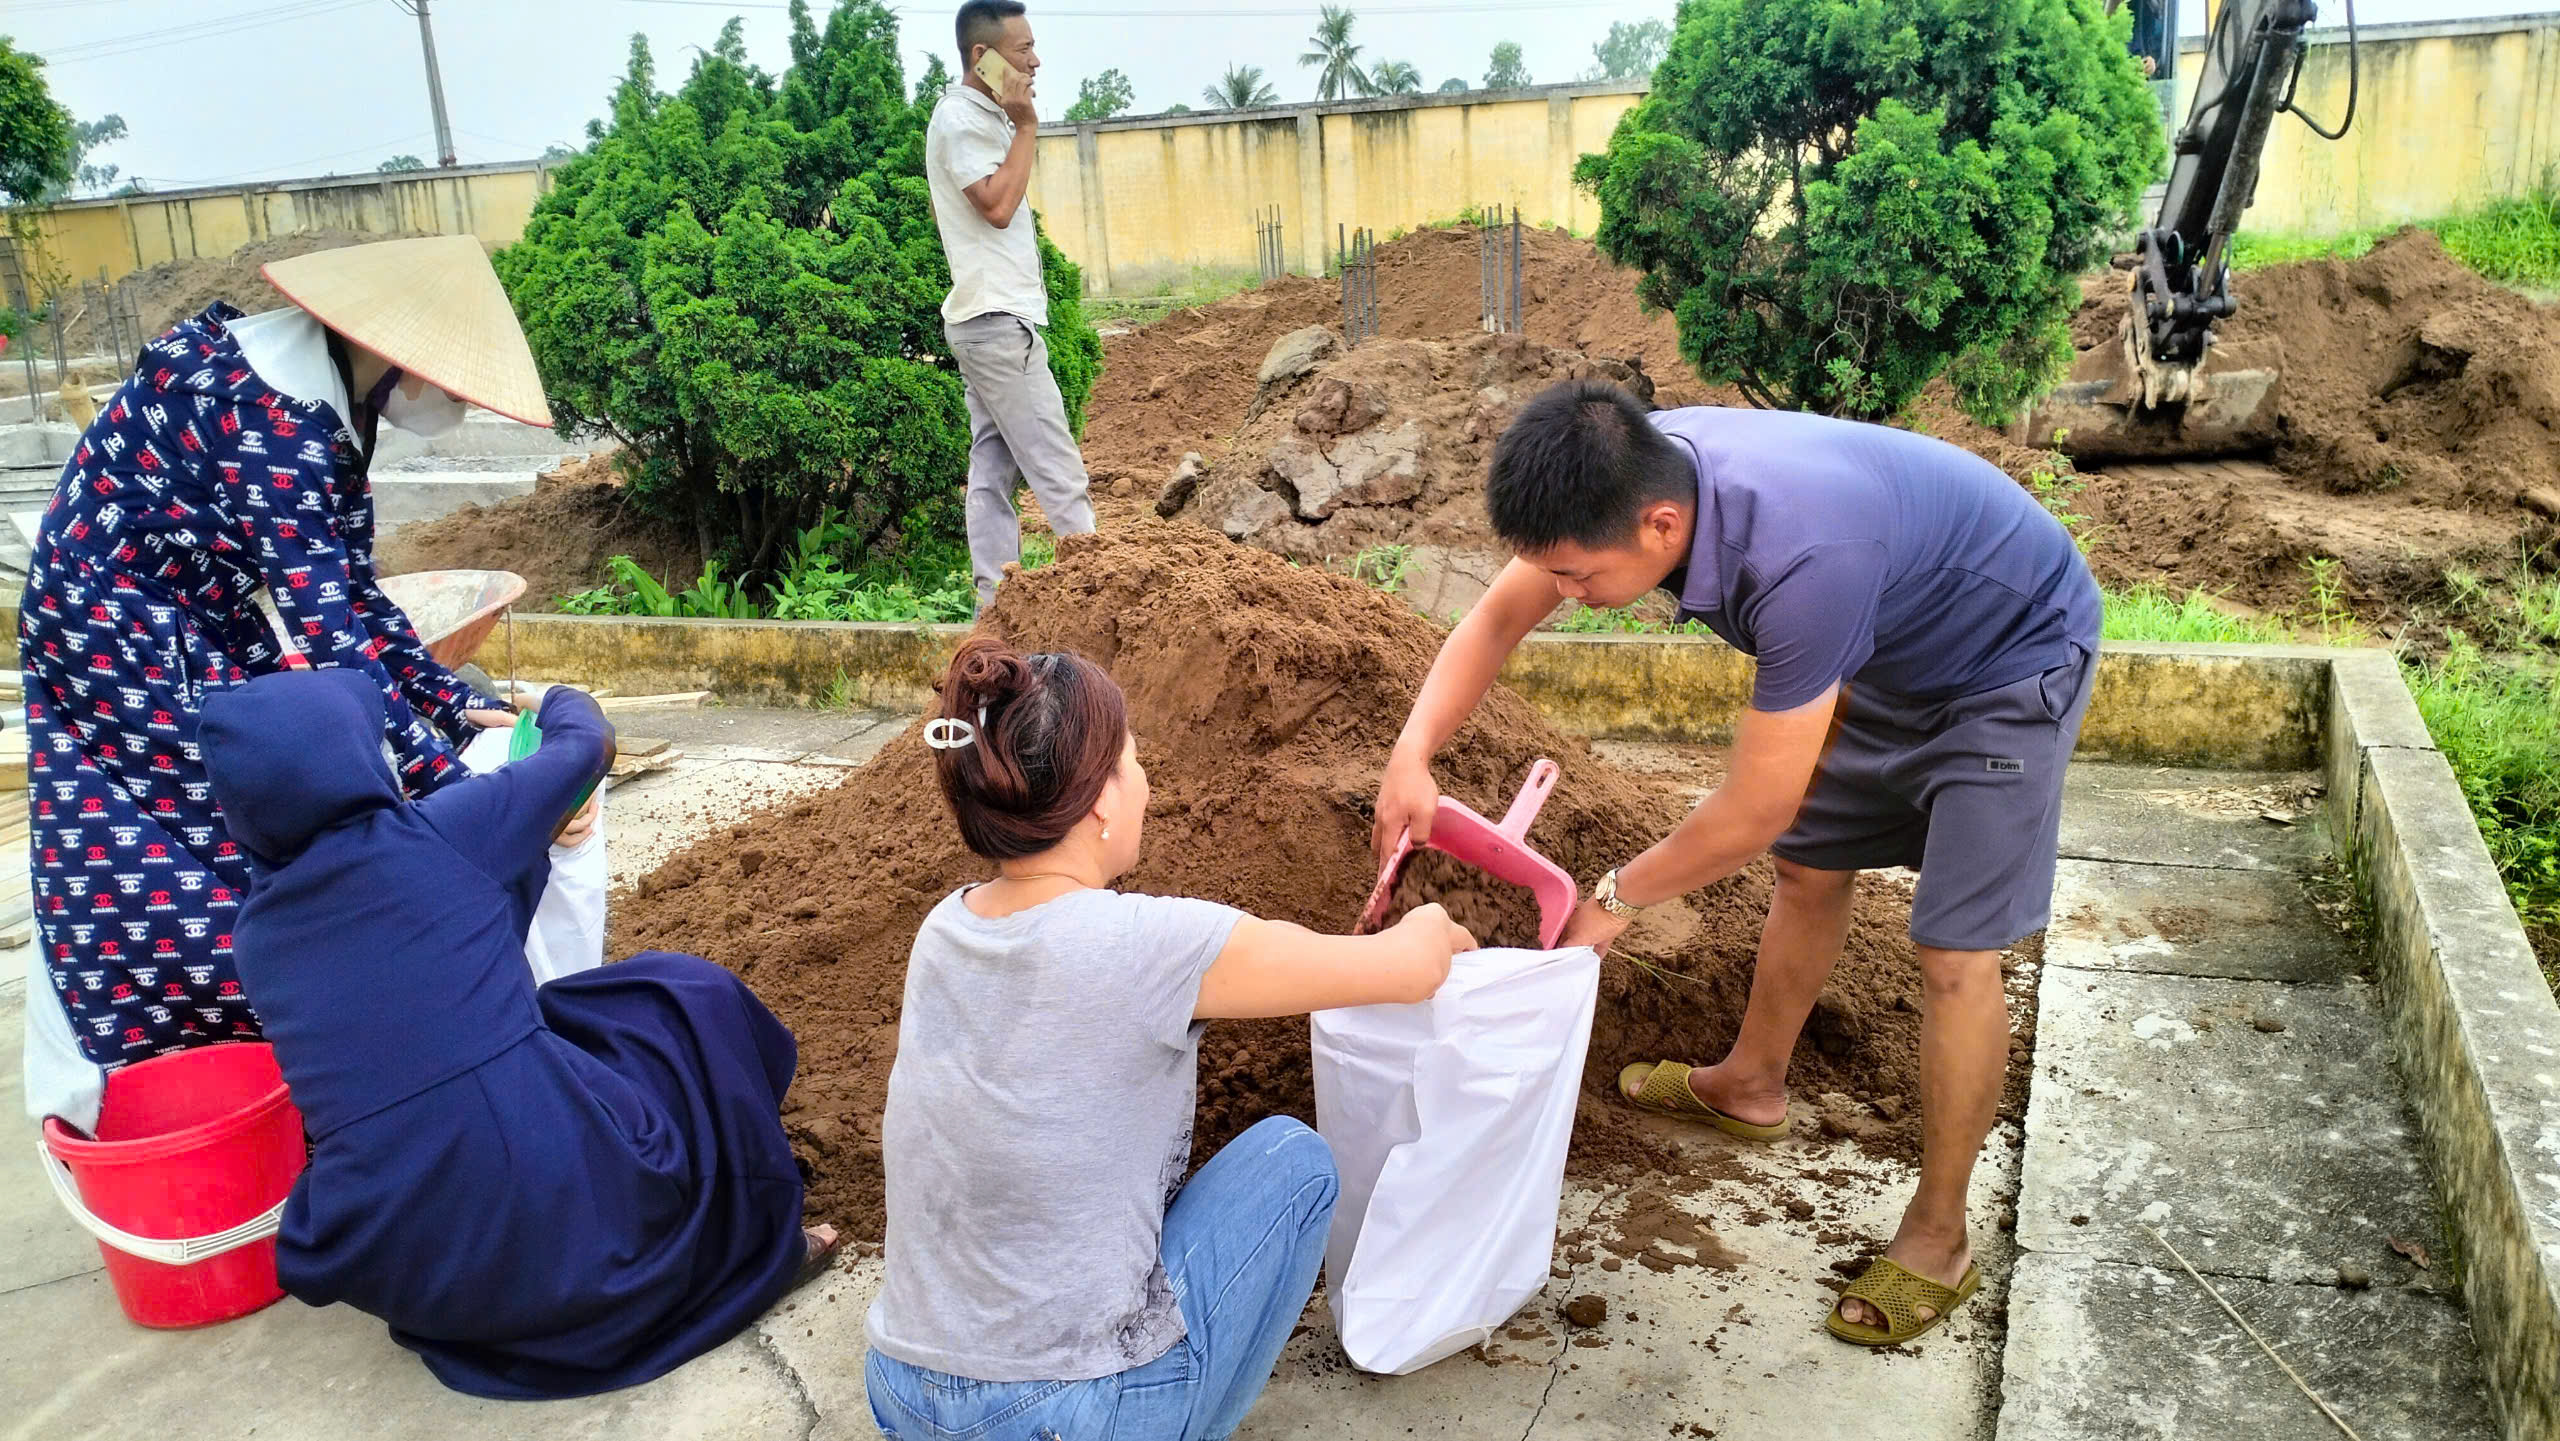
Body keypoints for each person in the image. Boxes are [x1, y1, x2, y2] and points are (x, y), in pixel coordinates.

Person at [1372, 381, 2100, 1348]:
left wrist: (1613, 897)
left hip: (2012, 656)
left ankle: (1940, 1235)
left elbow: (1754, 811)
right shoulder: (1625, 475)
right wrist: (1412, 752)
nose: (1566, 594)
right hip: (1889, 641)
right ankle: (1750, 1083)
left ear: (1662, 527)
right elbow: (1497, 620)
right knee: (1810, 869)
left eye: (1578, 578)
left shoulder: (1802, 561)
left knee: (1954, 953)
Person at [17, 235, 605, 1135]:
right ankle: (221, 1060)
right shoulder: (272, 417)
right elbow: (333, 644)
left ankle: (324, 1039)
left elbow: (354, 593)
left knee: (305, 809)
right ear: (396, 357)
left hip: (192, 614)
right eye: (450, 390)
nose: (452, 408)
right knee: (224, 827)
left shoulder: (327, 397)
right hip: (115, 630)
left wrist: (452, 704)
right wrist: (472, 794)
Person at [865, 638, 1472, 1440]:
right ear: (1099, 803)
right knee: (1294, 1161)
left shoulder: (942, 930)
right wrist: (1437, 923)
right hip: (1058, 1415)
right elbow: (1406, 968)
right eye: (1133, 761)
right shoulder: (1151, 946)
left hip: (901, 1385)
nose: (1146, 783)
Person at [198, 669, 833, 1398]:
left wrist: (532, 835)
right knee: (678, 994)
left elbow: (440, 962)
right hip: (564, 1213)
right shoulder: (440, 832)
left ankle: (504, 1299)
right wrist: (552, 699)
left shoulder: (257, 938)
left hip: (414, 1263)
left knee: (554, 1019)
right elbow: (588, 744)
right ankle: (754, 1235)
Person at [926, 0, 1097, 611]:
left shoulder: (979, 116)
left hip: (987, 320)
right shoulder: (961, 119)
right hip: (997, 325)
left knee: (992, 473)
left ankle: (993, 612)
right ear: (983, 56)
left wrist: (1014, 122)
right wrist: (1027, 127)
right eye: (1023, 50)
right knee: (1059, 471)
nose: (1035, 61)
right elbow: (997, 207)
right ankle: (1103, 605)